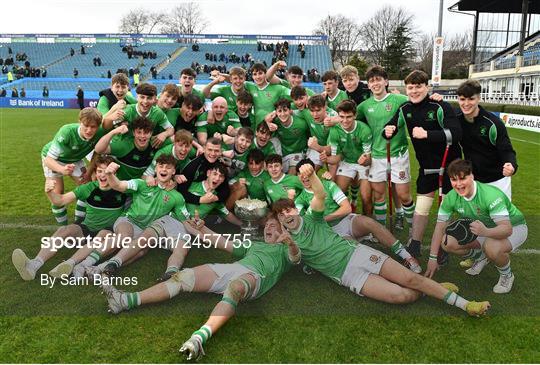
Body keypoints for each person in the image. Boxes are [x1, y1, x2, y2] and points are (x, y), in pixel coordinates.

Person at [273, 163, 490, 316]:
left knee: (412, 279)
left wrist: (312, 175)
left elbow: (319, 195)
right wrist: (289, 243)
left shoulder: (313, 218)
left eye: (288, 211)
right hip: (348, 276)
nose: (286, 217)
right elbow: (294, 259)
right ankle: (433, 289)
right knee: (403, 296)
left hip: (357, 253)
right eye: (281, 216)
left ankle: (467, 305)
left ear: (295, 210)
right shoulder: (287, 241)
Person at [100, 215, 300, 361]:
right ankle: (124, 301)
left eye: (274, 226)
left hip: (255, 276)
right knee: (182, 277)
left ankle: (198, 338)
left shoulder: (284, 251)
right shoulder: (254, 245)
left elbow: (296, 258)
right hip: (234, 268)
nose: (268, 228)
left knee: (234, 289)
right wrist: (201, 229)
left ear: (284, 232)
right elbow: (221, 242)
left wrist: (290, 244)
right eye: (268, 225)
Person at [384, 70, 462, 260]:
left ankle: (444, 244)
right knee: (422, 207)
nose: (414, 90)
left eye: (419, 86)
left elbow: (457, 133)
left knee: (446, 209)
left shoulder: (440, 106)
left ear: (426, 87)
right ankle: (415, 244)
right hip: (427, 168)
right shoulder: (404, 109)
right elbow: (390, 128)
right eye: (410, 87)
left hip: (450, 168)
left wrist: (427, 134)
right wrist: (388, 130)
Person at [294, 158, 421, 273]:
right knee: (358, 251)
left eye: (307, 172)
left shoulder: (328, 185)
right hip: (331, 232)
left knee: (370, 223)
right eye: (300, 173)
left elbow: (346, 208)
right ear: (298, 176)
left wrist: (323, 219)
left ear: (314, 173)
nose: (304, 176)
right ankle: (394, 270)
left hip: (346, 220)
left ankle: (407, 257)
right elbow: (304, 223)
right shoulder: (300, 199)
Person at [12, 155, 126, 280]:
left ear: (114, 172)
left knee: (104, 234)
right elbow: (60, 201)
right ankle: (34, 265)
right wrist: (49, 192)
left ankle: (70, 264)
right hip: (86, 230)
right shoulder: (88, 188)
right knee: (65, 230)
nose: (103, 175)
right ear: (95, 172)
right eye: (99, 171)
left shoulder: (123, 188)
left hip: (107, 235)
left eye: (106, 171)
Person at [425, 159, 527, 294]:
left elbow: (506, 229)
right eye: (454, 180)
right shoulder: (450, 198)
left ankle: (507, 275)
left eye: (463, 178)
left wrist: (485, 231)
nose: (459, 184)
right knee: (447, 242)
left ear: (472, 176)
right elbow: (439, 228)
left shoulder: (490, 195)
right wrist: (433, 258)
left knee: (492, 247)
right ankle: (481, 257)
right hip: (484, 229)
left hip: (514, 227)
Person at [96, 155, 190, 275]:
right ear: (155, 169)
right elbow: (118, 185)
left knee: (142, 251)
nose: (164, 169)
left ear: (173, 171)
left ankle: (101, 268)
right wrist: (109, 174)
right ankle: (86, 263)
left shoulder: (177, 197)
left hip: (145, 231)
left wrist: (197, 223)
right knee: (123, 238)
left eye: (168, 167)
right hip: (129, 221)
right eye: (161, 166)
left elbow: (185, 219)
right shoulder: (142, 183)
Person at [357, 65, 414, 230]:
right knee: (379, 195)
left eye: (378, 80)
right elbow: (350, 119)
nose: (375, 84)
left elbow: (420, 103)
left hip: (398, 153)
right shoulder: (364, 106)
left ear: (386, 81)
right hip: (377, 155)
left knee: (404, 195)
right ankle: (381, 231)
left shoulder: (400, 100)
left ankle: (412, 230)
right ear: (368, 85)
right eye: (371, 81)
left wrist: (436, 97)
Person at [41, 108, 105, 225]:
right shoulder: (67, 131)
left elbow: (97, 152)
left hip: (75, 160)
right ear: (79, 122)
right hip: (55, 160)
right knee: (57, 193)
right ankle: (63, 227)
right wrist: (62, 169)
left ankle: (78, 225)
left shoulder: (100, 132)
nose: (89, 130)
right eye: (85, 125)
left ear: (98, 126)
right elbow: (49, 160)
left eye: (93, 127)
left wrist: (89, 172)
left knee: (88, 189)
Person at [456, 79, 517, 200]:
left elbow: (507, 150)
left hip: (498, 180)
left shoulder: (493, 123)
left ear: (479, 98)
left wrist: (512, 165)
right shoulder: (456, 120)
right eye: (462, 99)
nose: (466, 103)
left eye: (471, 99)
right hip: (473, 180)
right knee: (474, 218)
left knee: (500, 218)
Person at [327, 100, 373, 215]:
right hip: (346, 162)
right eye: (342, 117)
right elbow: (336, 157)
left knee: (366, 197)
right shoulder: (334, 131)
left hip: (364, 164)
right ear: (338, 115)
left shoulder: (364, 130)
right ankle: (344, 221)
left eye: (349, 117)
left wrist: (365, 160)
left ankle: (367, 226)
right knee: (338, 194)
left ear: (355, 115)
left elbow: (368, 159)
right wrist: (326, 159)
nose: (345, 120)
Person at [265, 98, 309, 174]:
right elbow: (266, 119)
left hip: (298, 153)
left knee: (291, 173)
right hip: (283, 154)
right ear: (276, 112)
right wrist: (268, 123)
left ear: (290, 111)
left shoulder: (301, 124)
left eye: (285, 110)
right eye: (279, 111)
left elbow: (309, 135)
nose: (282, 114)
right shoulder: (275, 121)